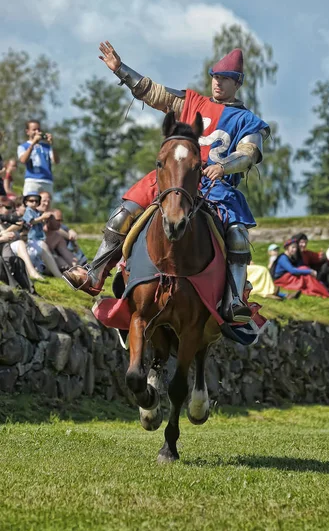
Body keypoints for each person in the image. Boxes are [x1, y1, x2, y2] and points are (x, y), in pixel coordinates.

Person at [64, 41, 270, 324]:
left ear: (238, 83)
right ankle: (95, 272)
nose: (218, 83)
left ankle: (234, 299)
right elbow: (152, 91)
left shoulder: (249, 121)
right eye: (215, 77)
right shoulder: (191, 102)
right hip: (174, 177)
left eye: (225, 79)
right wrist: (120, 69)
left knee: (236, 233)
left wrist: (222, 167)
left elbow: (248, 154)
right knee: (124, 213)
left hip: (214, 184)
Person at [22, 192, 64, 278]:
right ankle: (58, 275)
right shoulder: (28, 211)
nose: (34, 203)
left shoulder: (37, 212)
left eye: (37, 201)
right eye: (31, 201)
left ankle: (53, 273)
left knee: (41, 258)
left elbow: (41, 221)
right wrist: (42, 217)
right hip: (29, 239)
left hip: (37, 239)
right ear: (26, 202)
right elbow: (31, 221)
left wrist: (47, 218)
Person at [17, 121, 58, 196]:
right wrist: (33, 144)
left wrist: (52, 145)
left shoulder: (46, 147)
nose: (37, 132)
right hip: (32, 180)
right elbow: (23, 160)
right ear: (27, 132)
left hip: (47, 181)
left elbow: (56, 161)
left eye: (39, 129)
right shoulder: (23, 146)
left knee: (46, 204)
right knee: (30, 203)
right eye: (34, 130)